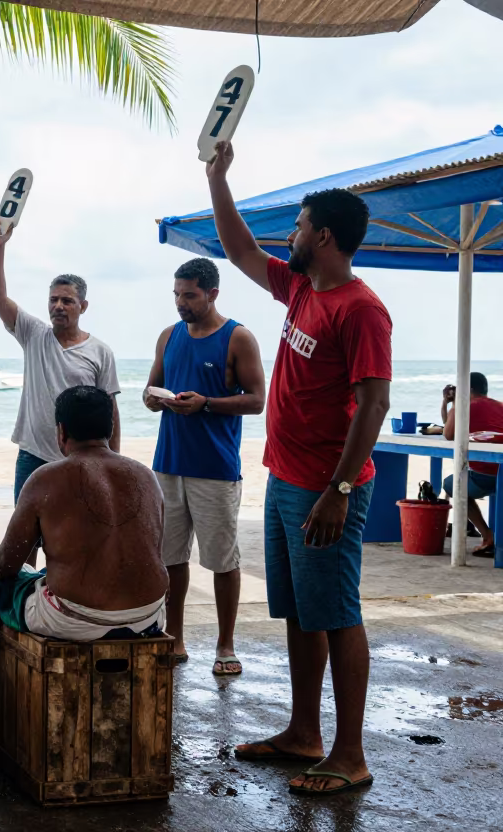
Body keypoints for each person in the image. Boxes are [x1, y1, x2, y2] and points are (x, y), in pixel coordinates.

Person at [207, 140, 392, 796]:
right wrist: (216, 177)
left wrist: (339, 490)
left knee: (337, 613)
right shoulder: (301, 289)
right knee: (299, 612)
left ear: (324, 236)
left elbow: (375, 404)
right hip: (286, 478)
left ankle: (350, 754)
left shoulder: (361, 308)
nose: (289, 235)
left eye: (298, 226)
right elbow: (237, 250)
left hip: (326, 489)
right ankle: (304, 733)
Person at [0, 386, 169, 691]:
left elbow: (5, 568)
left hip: (74, 619)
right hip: (149, 616)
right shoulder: (145, 476)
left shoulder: (45, 478)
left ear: (61, 432)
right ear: (111, 428)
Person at [144, 258, 266, 676]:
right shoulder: (169, 335)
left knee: (221, 560)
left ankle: (225, 644)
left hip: (215, 468)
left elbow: (257, 400)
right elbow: (149, 388)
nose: (181, 303)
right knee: (170, 558)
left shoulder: (238, 338)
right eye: (177, 294)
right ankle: (174, 635)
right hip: (169, 464)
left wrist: (207, 404)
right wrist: (154, 398)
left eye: (189, 295)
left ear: (212, 293)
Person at [0, 218, 122, 507]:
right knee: (26, 539)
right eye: (53, 300)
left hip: (81, 457)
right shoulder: (34, 334)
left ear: (82, 306)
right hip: (32, 456)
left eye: (67, 301)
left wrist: (114, 461)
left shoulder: (100, 351)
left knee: (72, 539)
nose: (58, 306)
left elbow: (110, 410)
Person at [438, 372, 503, 558]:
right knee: (460, 479)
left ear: (468, 389)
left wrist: (454, 404)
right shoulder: (500, 405)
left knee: (452, 484)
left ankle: (487, 535)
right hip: (501, 471)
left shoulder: (463, 407)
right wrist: (447, 404)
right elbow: (449, 427)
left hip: (484, 476)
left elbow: (448, 435)